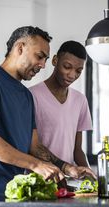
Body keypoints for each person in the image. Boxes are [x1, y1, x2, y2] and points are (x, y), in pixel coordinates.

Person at [0, 26, 95, 198]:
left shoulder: (26, 95)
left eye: (45, 59)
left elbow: (35, 146)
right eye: (39, 56)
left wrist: (67, 167)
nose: (43, 65)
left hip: (16, 190)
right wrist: (36, 165)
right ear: (20, 48)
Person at [29, 40, 95, 175]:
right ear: (54, 60)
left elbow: (77, 150)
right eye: (67, 66)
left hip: (68, 181)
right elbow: (31, 146)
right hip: (39, 179)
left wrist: (91, 177)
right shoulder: (31, 95)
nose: (72, 75)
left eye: (78, 71)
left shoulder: (80, 100)